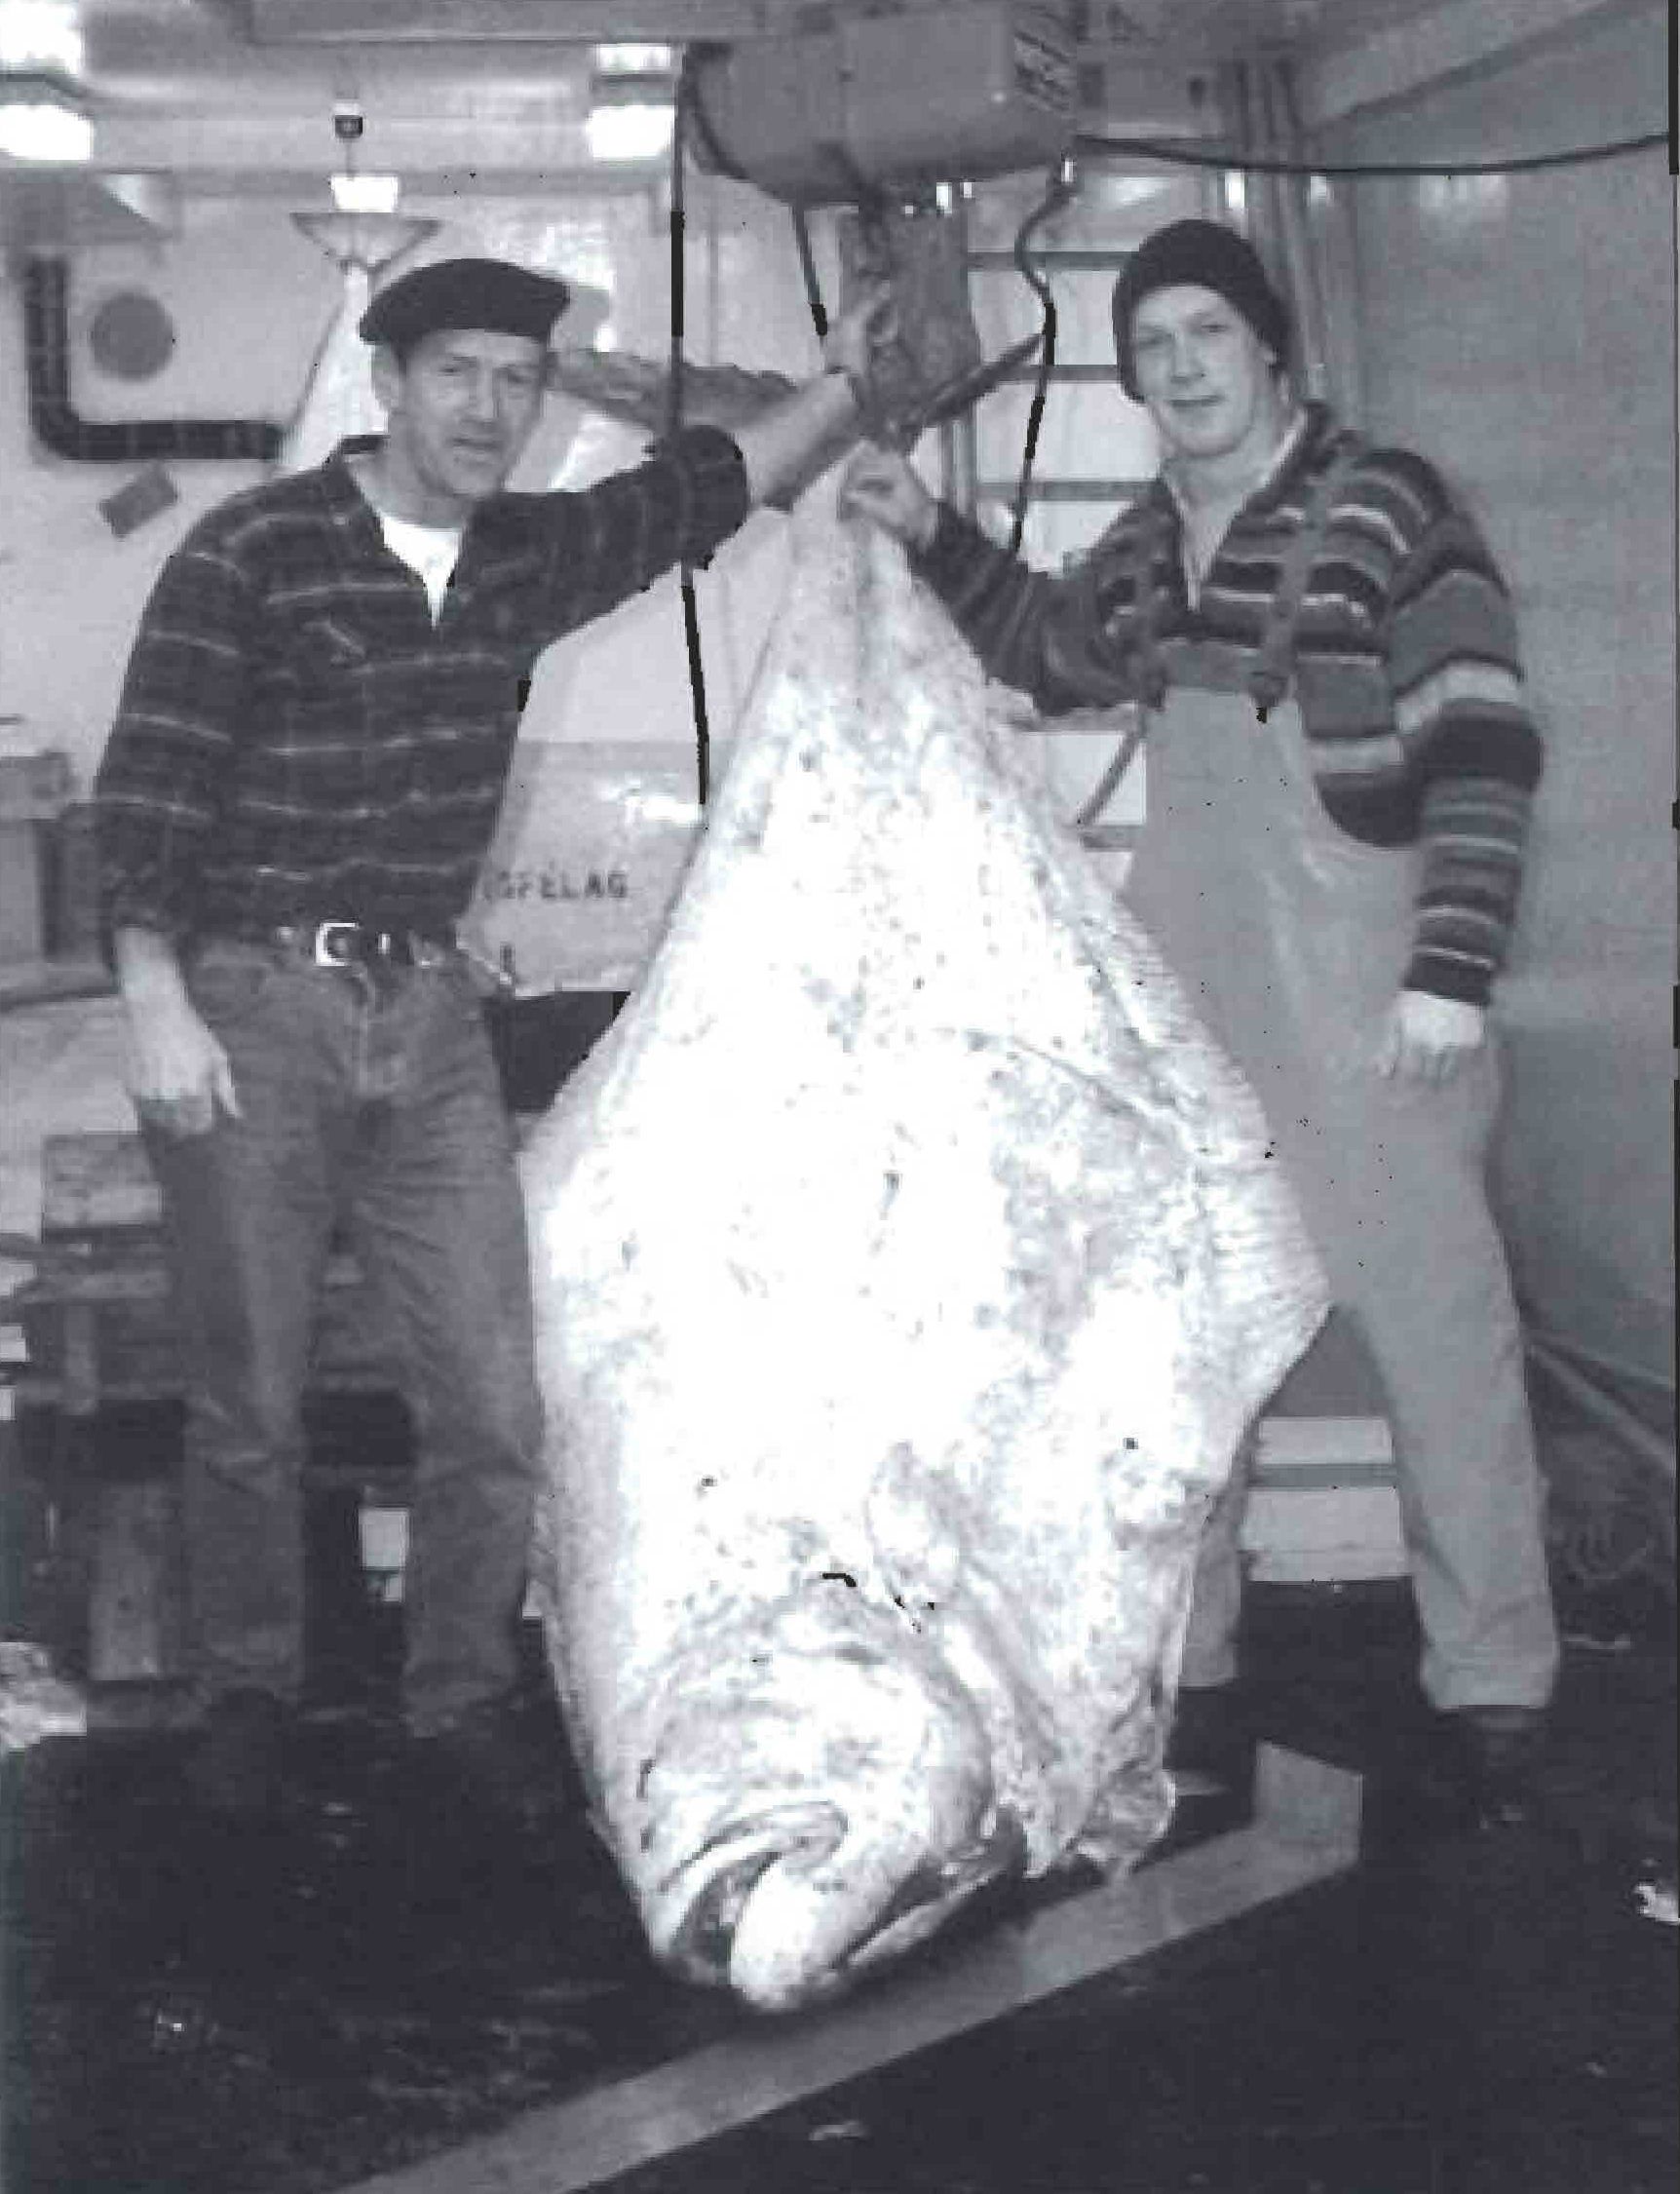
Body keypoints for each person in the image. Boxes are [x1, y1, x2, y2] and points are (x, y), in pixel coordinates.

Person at [94, 254, 890, 1823]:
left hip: (430, 1016)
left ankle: (457, 1692)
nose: (487, 407)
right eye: (456, 371)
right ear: (387, 384)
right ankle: (248, 1690)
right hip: (254, 1007)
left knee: (491, 1399)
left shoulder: (521, 559)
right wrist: (153, 996)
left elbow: (697, 488)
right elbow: (153, 782)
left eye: (517, 380)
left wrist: (851, 386)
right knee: (249, 1400)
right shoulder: (251, 551)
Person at [843, 217, 1558, 1831]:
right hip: (1202, 1022)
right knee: (1187, 1352)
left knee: (1444, 1356)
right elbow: (1047, 651)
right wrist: (929, 528)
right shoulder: (1153, 543)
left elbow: (1485, 742)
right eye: (1153, 348)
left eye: (1208, 335)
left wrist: (1450, 973)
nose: (1182, 369)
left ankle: (1495, 1683)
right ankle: (1195, 1670)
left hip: (1377, 1020)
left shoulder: (1389, 506)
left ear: (1271, 350)